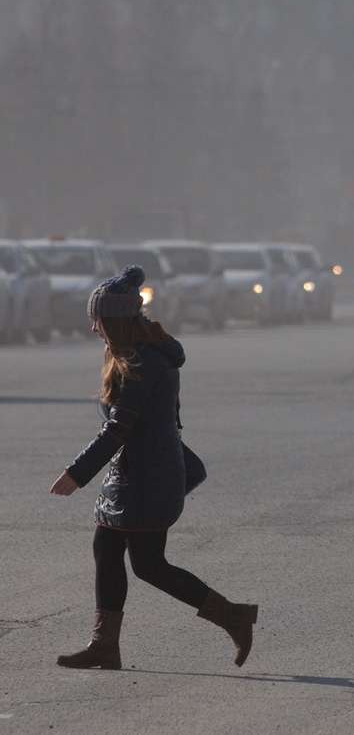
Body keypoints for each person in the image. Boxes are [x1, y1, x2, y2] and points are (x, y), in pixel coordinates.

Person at [49, 266, 260, 670]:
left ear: (113, 320)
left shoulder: (142, 362)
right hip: (138, 474)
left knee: (148, 564)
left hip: (148, 478)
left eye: (97, 321)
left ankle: (233, 616)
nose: (94, 329)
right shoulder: (132, 353)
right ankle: (104, 646)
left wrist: (76, 474)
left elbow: (119, 428)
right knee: (108, 549)